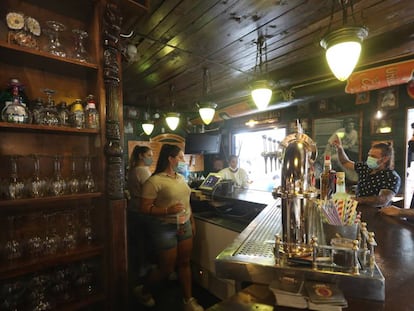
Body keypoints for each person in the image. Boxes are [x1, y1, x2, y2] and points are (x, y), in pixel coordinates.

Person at [136, 144, 203, 311]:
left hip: (184, 224)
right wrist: (167, 210)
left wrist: (192, 221)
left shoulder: (180, 178)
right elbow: (144, 208)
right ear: (170, 158)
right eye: (180, 157)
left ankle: (188, 300)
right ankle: (143, 291)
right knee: (166, 268)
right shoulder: (154, 181)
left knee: (185, 263)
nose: (183, 161)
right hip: (164, 227)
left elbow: (186, 203)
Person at [332, 140, 401, 208]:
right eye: (369, 155)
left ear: (385, 159)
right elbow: (345, 162)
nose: (369, 158)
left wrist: (355, 200)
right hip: (358, 208)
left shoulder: (392, 177)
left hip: (377, 213)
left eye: (373, 156)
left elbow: (382, 200)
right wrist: (339, 148)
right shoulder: (365, 167)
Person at [126, 146, 154, 296]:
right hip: (142, 212)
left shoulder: (133, 170)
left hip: (132, 211)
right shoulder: (143, 171)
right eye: (149, 155)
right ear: (142, 156)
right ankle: (144, 275)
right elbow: (152, 190)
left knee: (138, 243)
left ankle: (140, 272)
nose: (151, 157)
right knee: (144, 242)